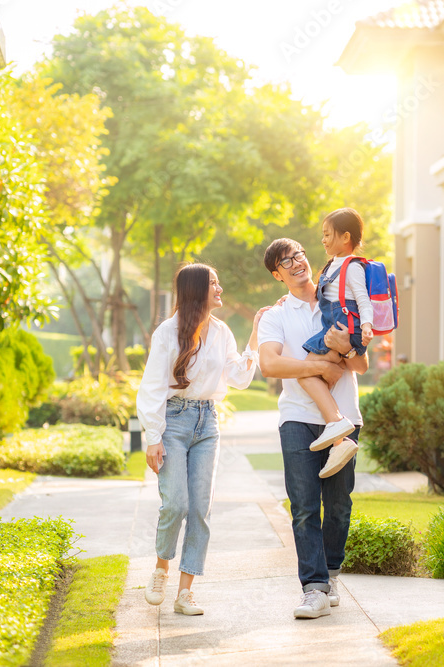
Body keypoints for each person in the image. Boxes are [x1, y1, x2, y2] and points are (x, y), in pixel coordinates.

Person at [136, 263, 270, 615]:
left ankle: (185, 593)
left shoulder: (223, 332)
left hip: (207, 423)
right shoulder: (167, 332)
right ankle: (161, 569)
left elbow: (239, 378)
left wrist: (254, 335)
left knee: (200, 509)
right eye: (213, 283)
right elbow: (151, 387)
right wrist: (154, 437)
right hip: (174, 422)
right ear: (197, 290)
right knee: (175, 504)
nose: (220, 287)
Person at [257, 237, 368, 619]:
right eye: (286, 261)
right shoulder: (275, 316)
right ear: (277, 274)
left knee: (338, 506)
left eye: (299, 255)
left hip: (346, 418)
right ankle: (314, 589)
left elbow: (361, 367)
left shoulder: (336, 302)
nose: (296, 263)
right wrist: (321, 367)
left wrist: (346, 352)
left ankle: (331, 573)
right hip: (297, 421)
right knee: (305, 509)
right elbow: (270, 365)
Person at [295, 208, 374, 477]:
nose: (323, 240)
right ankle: (340, 443)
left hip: (343, 330)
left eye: (328, 234)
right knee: (319, 377)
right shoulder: (331, 266)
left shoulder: (351, 266)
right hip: (335, 328)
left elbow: (362, 299)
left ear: (345, 237)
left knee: (305, 372)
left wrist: (366, 326)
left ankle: (337, 424)